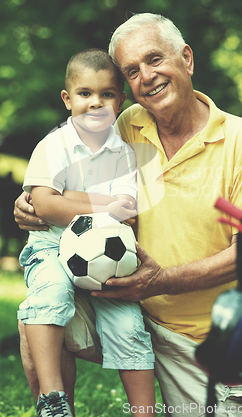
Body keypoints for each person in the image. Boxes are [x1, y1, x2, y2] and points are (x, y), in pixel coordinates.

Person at [14, 14, 242, 417]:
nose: (147, 77)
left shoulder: (241, 140)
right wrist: (33, 199)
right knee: (40, 309)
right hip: (119, 304)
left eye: (155, 59)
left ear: (186, 59)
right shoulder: (126, 124)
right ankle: (56, 407)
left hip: (197, 337)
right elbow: (68, 158)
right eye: (132, 71)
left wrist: (160, 281)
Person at [16, 48, 155, 417]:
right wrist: (102, 202)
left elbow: (126, 213)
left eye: (107, 94)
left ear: (120, 100)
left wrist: (67, 197)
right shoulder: (52, 146)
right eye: (85, 93)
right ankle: (53, 399)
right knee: (52, 291)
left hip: (108, 256)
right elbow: (44, 206)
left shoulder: (125, 154)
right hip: (49, 247)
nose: (96, 103)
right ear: (67, 99)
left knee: (128, 323)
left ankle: (144, 411)